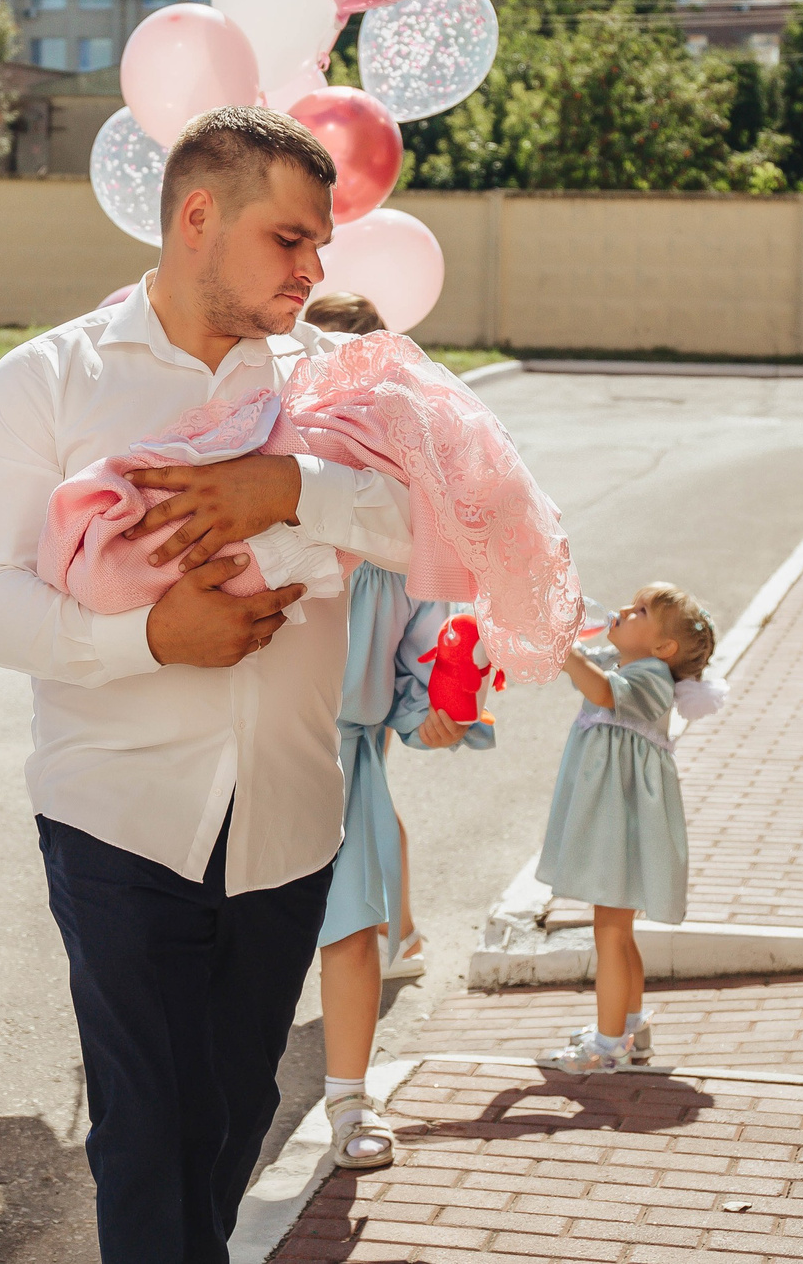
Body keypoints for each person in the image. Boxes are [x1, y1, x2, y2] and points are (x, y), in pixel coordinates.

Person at [0, 106, 419, 1264]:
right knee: (148, 1134)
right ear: (198, 217)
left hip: (291, 822)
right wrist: (152, 638)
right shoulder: (47, 380)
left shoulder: (337, 383)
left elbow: (429, 527)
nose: (313, 268)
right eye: (290, 240)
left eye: (321, 246)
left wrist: (289, 487)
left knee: (233, 1116)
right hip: (115, 820)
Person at [294, 290, 494, 1171]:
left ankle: (348, 1100)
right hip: (255, 742)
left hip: (349, 757)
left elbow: (424, 650)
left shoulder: (405, 526)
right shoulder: (275, 488)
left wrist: (430, 714)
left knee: (349, 930)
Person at [533, 583, 726, 1076]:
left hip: (621, 823)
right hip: (615, 818)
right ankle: (630, 1026)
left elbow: (596, 687)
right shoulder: (627, 663)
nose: (623, 610)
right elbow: (582, 666)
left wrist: (566, 648)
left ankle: (608, 1043)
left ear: (664, 649)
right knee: (619, 930)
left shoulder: (651, 676)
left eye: (640, 611)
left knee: (611, 931)